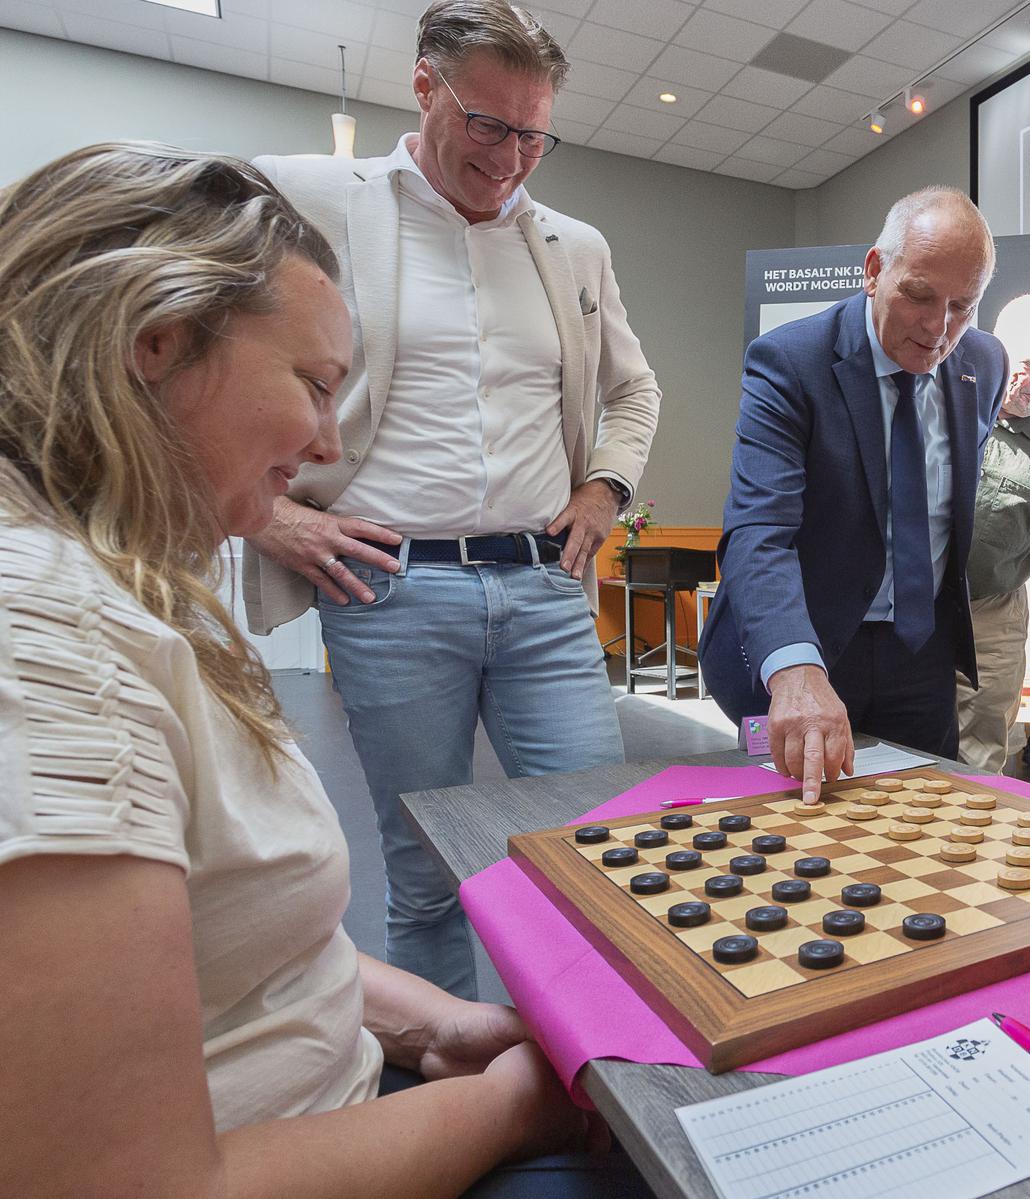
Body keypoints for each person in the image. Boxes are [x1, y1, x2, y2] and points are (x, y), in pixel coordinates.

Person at [0, 142, 630, 1199]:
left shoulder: (126, 588)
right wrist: (515, 1102)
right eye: (312, 384)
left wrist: (437, 1023)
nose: (329, 444)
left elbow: (238, 960)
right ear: (156, 347)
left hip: (347, 1088)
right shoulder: (52, 644)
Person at [243, 0, 661, 1000]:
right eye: (488, 124)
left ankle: (578, 1075)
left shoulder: (574, 248)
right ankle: (444, 1084)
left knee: (596, 848)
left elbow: (633, 390)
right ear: (425, 85)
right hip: (390, 589)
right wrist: (271, 514)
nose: (512, 156)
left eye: (534, 134)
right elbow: (202, 347)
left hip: (544, 585)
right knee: (423, 866)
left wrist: (604, 487)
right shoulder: (316, 199)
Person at [697, 188, 1010, 800]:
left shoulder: (985, 364)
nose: (937, 328)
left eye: (962, 307)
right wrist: (792, 665)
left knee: (923, 841)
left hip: (921, 654)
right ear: (874, 271)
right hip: (808, 642)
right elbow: (760, 529)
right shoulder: (791, 361)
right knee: (793, 845)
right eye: (919, 296)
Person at [955, 294, 1030, 772]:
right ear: (996, 348)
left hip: (992, 610)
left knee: (980, 747)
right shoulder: (946, 389)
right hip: (912, 603)